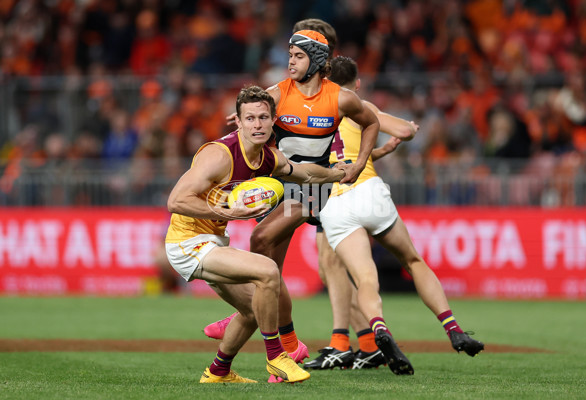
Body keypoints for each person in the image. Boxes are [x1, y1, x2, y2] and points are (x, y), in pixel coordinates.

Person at [204, 26, 380, 368]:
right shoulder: (277, 94)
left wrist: (359, 164)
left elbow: (371, 123)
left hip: (314, 187)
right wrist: (244, 121)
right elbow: (256, 118)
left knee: (259, 238)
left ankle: (264, 325)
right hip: (280, 185)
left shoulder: (340, 97)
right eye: (289, 55)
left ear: (315, 60)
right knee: (269, 269)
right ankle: (264, 322)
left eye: (298, 56)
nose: (290, 62)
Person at [304, 56, 485, 374]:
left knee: (365, 279)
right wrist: (410, 130)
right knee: (413, 261)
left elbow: (330, 156)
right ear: (356, 84)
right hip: (369, 192)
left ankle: (379, 329)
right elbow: (403, 130)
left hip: (335, 201)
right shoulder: (360, 105)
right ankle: (453, 328)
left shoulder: (307, 115)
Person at [165, 85, 347, 383]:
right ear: (237, 122)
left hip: (212, 243)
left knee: (254, 312)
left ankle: (218, 372)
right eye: (249, 118)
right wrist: (227, 213)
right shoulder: (219, 155)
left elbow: (306, 173)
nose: (257, 124)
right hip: (187, 245)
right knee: (268, 271)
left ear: (273, 119)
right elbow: (176, 201)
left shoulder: (267, 158)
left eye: (263, 117)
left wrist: (339, 174)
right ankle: (277, 357)